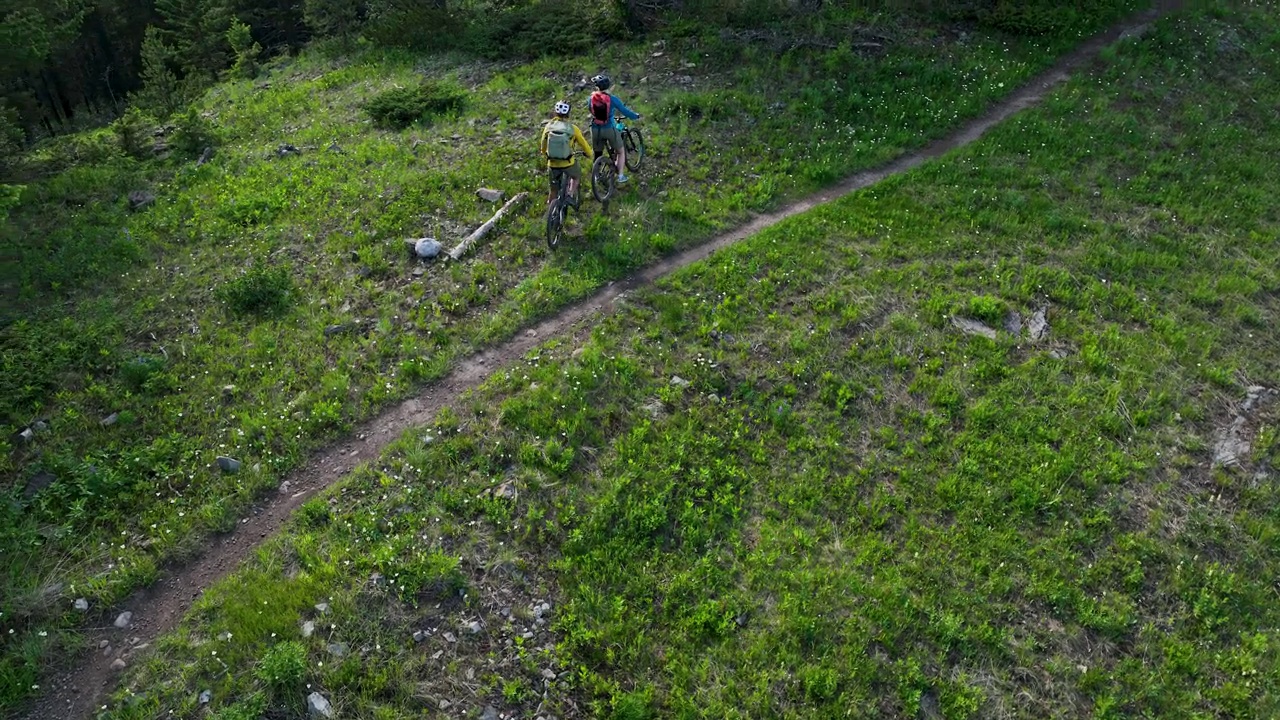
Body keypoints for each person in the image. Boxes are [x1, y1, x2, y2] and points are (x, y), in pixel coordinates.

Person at [588, 74, 640, 184]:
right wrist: (635, 116)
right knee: (620, 151)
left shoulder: (591, 98)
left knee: (597, 153)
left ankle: (596, 176)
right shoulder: (612, 99)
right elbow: (624, 111)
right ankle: (620, 176)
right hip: (608, 128)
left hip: (595, 129)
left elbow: (590, 110)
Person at [540, 100, 593, 209]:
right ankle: (570, 194)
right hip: (568, 163)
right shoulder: (573, 129)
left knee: (553, 190)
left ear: (555, 112)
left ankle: (550, 211)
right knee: (576, 176)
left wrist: (544, 153)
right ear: (568, 113)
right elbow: (583, 143)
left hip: (552, 163)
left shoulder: (548, 126)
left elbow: (543, 144)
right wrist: (589, 153)